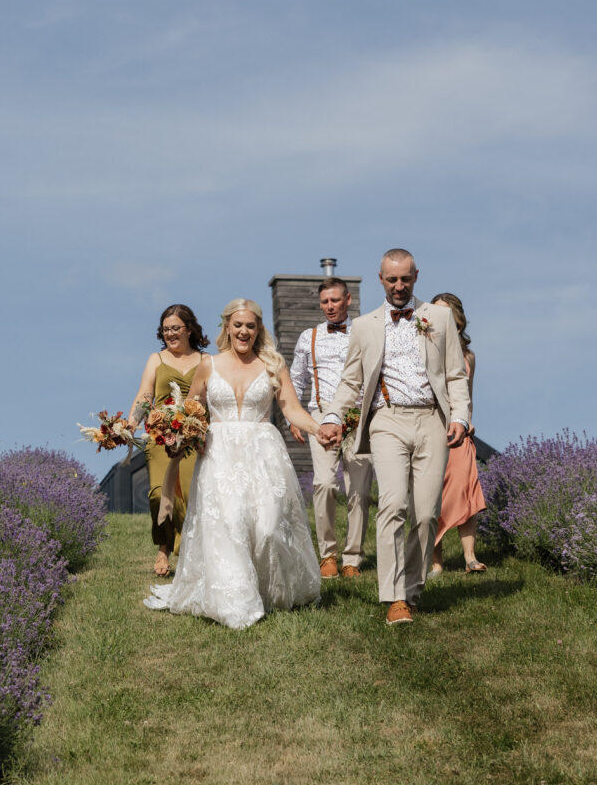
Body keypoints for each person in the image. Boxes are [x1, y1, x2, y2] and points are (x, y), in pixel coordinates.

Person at [144, 300, 322, 629]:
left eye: (250, 326)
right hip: (219, 455)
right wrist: (177, 431)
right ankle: (236, 602)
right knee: (230, 525)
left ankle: (272, 592)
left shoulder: (273, 365)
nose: (244, 331)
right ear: (227, 326)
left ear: (258, 330)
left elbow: (292, 409)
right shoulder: (209, 364)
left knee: (268, 527)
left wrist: (317, 428)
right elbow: (191, 409)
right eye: (237, 325)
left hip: (263, 454)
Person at [318, 249, 471, 626]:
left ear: (416, 276)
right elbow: (351, 380)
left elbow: (455, 374)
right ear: (380, 279)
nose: (399, 286)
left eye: (406, 279)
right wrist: (334, 416)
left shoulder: (439, 318)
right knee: (393, 504)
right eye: (392, 279)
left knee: (426, 512)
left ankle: (414, 589)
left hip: (432, 421)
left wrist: (460, 417)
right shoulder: (366, 325)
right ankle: (394, 597)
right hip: (385, 419)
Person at [288, 278, 373, 579]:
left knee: (359, 490)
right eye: (325, 302)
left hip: (359, 416)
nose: (329, 306)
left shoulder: (366, 332)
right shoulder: (307, 337)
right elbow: (296, 380)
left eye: (335, 300)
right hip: (321, 416)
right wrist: (293, 417)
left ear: (348, 300)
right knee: (324, 483)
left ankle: (352, 558)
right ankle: (328, 555)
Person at [129, 304, 209, 577]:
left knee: (189, 495)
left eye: (176, 328)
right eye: (166, 330)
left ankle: (188, 551)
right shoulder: (156, 359)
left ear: (189, 329)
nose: (170, 334)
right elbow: (144, 396)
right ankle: (163, 545)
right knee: (156, 493)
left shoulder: (205, 360)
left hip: (191, 437)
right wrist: (131, 423)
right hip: (160, 435)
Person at [429, 292, 486, 575]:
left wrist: (469, 420)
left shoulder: (468, 357)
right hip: (432, 429)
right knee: (433, 495)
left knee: (465, 489)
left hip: (460, 431)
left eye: (446, 313)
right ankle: (436, 561)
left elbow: (468, 396)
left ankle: (470, 557)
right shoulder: (425, 349)